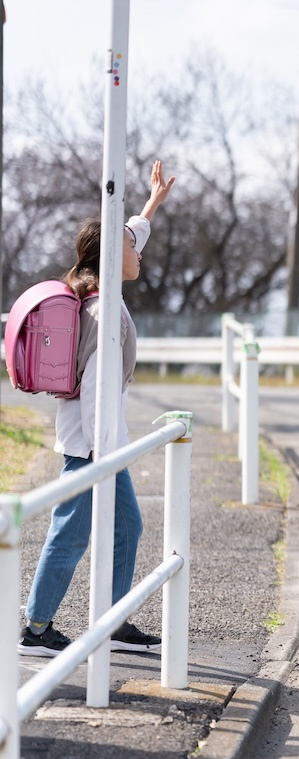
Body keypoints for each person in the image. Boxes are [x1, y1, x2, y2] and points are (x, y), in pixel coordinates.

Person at [18, 161, 176, 657]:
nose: (138, 252)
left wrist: (151, 204)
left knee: (127, 526)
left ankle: (113, 619)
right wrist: (99, 457)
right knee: (71, 531)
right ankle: (36, 628)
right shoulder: (103, 311)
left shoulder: (103, 289)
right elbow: (93, 391)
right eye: (131, 248)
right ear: (111, 257)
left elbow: (127, 233)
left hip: (99, 444)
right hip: (92, 447)